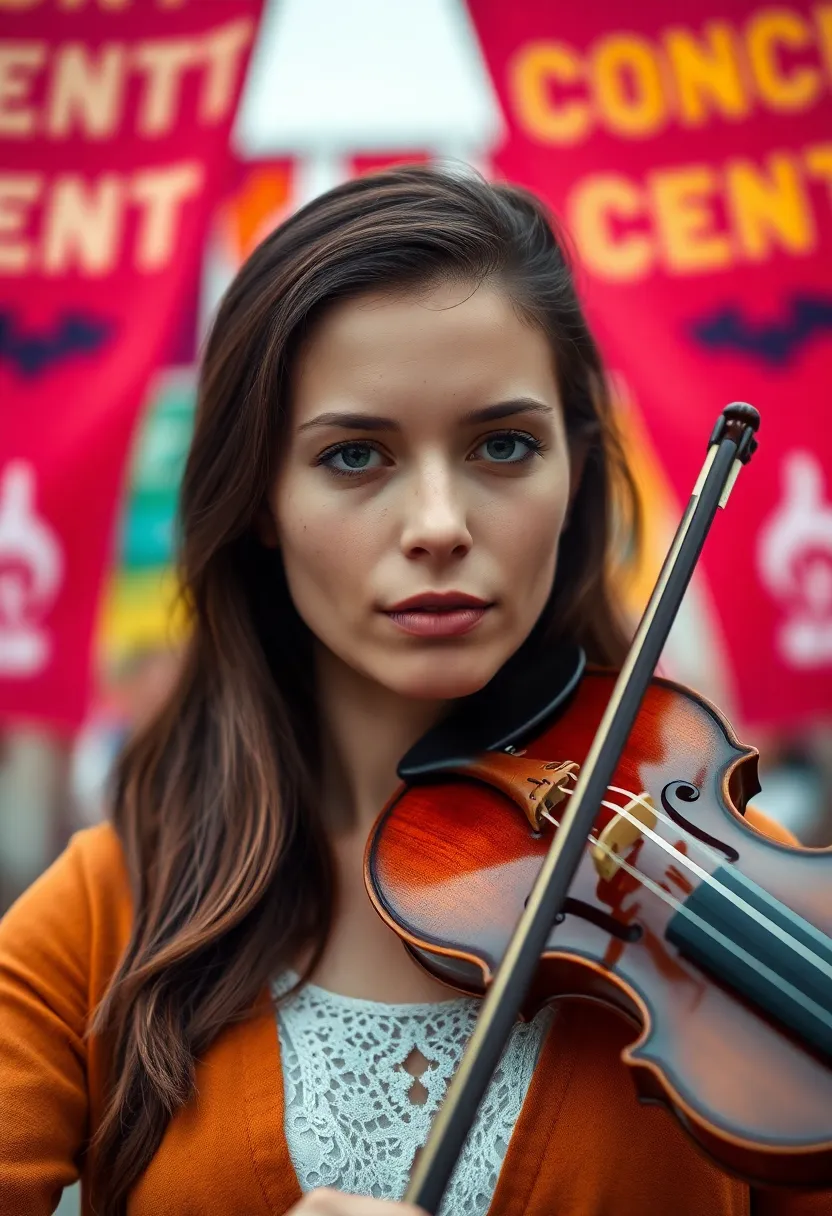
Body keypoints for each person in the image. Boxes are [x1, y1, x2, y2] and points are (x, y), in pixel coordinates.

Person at [0, 165, 827, 1216]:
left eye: (503, 445)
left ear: (574, 470)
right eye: (355, 455)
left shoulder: (754, 888)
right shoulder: (105, 913)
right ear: (259, 495)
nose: (438, 521)